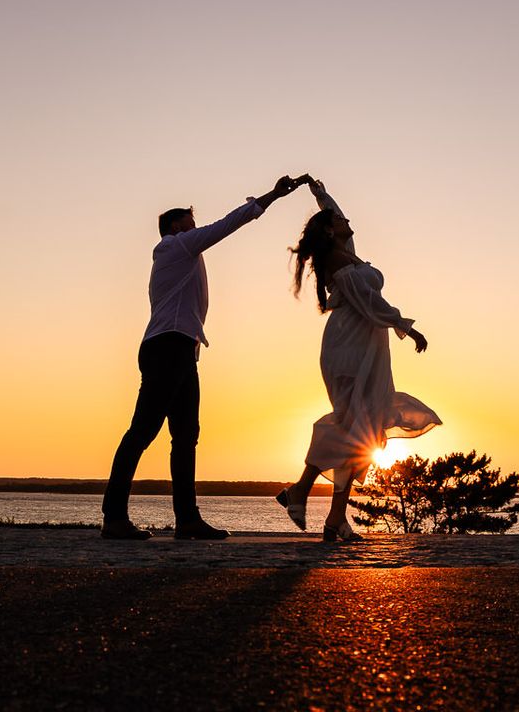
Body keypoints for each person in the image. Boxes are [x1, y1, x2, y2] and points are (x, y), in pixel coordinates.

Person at [102, 174, 302, 540]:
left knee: (185, 435)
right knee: (143, 431)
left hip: (181, 347)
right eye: (191, 222)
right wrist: (273, 195)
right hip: (168, 347)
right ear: (178, 226)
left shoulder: (178, 254)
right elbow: (228, 224)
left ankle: (187, 520)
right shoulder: (176, 246)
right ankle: (114, 517)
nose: (197, 228)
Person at [277, 176, 439, 541]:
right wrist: (407, 327)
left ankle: (324, 508)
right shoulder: (337, 261)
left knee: (361, 430)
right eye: (337, 220)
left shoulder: (345, 245)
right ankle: (315, 501)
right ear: (331, 233)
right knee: (355, 427)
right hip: (349, 347)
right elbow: (370, 304)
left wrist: (317, 192)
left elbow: (335, 213)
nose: (346, 220)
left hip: (367, 347)